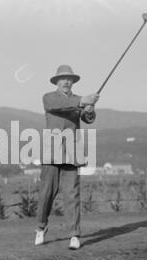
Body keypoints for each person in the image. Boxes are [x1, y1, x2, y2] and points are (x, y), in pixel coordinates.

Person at [35, 64, 99, 250]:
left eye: (69, 79)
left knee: (72, 195)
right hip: (51, 154)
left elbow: (88, 119)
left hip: (72, 153)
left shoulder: (78, 100)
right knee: (46, 193)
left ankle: (74, 235)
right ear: (56, 81)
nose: (66, 82)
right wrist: (83, 101)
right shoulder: (49, 98)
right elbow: (59, 106)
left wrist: (89, 109)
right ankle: (40, 227)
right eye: (63, 79)